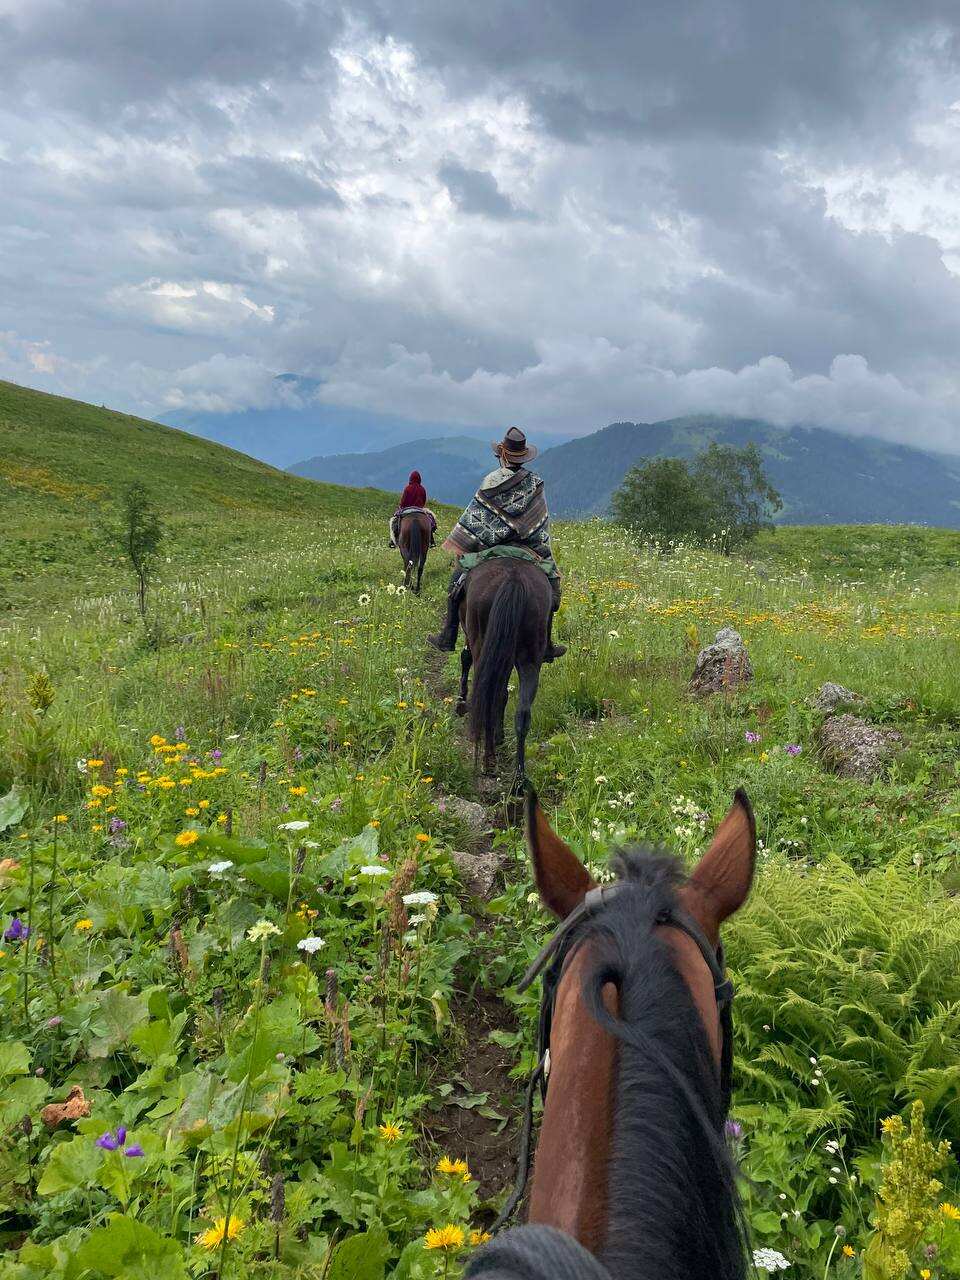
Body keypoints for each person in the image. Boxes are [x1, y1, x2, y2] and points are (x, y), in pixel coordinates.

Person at [427, 427, 566, 661]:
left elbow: (476, 519)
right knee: (552, 590)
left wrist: (471, 544)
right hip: (527, 550)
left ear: (502, 454)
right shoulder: (534, 483)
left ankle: (447, 636)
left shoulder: (490, 481)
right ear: (523, 457)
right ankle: (546, 645)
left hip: (489, 549)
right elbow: (539, 523)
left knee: (456, 583)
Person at [389, 470, 437, 547]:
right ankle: (431, 540)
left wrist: (400, 507)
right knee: (431, 519)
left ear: (410, 479)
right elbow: (424, 500)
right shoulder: (422, 489)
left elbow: (403, 501)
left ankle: (393, 541)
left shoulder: (407, 488)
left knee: (393, 521)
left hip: (407, 509)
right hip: (419, 509)